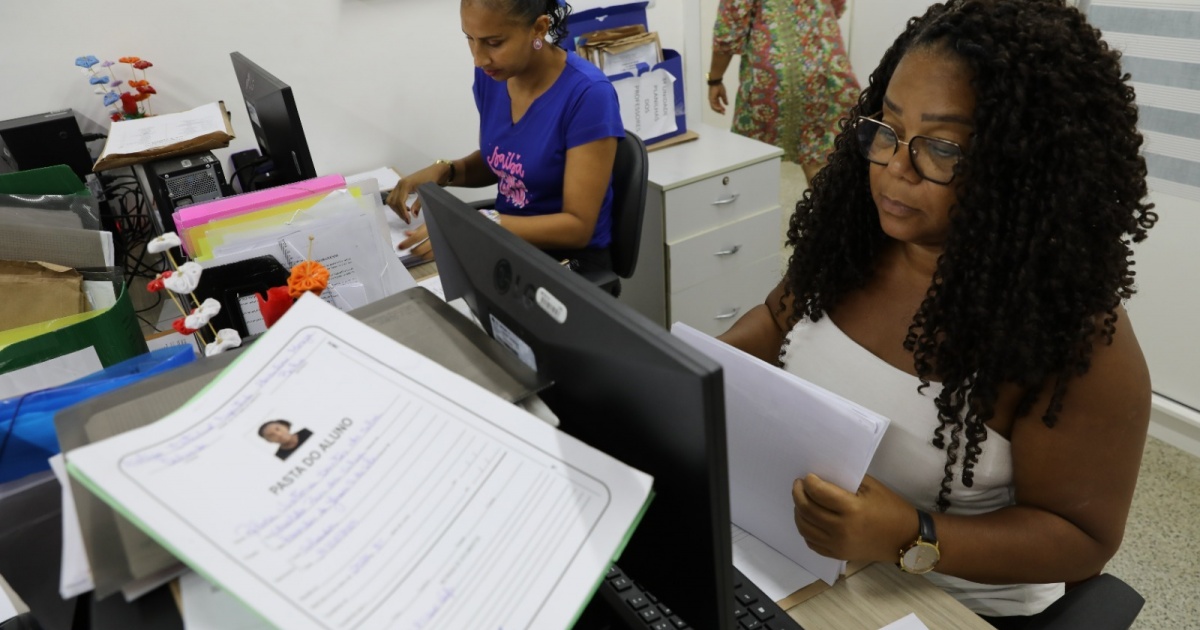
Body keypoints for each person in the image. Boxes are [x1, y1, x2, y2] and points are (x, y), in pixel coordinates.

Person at [716, 0, 1158, 623]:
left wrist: (909, 533)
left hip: (943, 602)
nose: (896, 169)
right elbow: (776, 321)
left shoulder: (1074, 332)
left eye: (942, 150)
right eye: (888, 130)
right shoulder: (856, 238)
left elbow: (1082, 539)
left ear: (1019, 168)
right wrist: (694, 373)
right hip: (803, 559)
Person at [388, 0, 624, 274]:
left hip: (569, 262)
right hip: (507, 243)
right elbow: (508, 162)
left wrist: (482, 223)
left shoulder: (589, 95)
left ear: (539, 28)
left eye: (494, 42)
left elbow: (578, 227)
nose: (478, 58)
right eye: (470, 39)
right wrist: (445, 171)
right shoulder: (493, 76)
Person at [708, 0, 860, 183]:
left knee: (752, 161)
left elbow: (729, 26)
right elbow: (837, 4)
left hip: (774, 73)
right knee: (821, 161)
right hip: (826, 62)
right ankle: (824, 210)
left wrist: (715, 78)